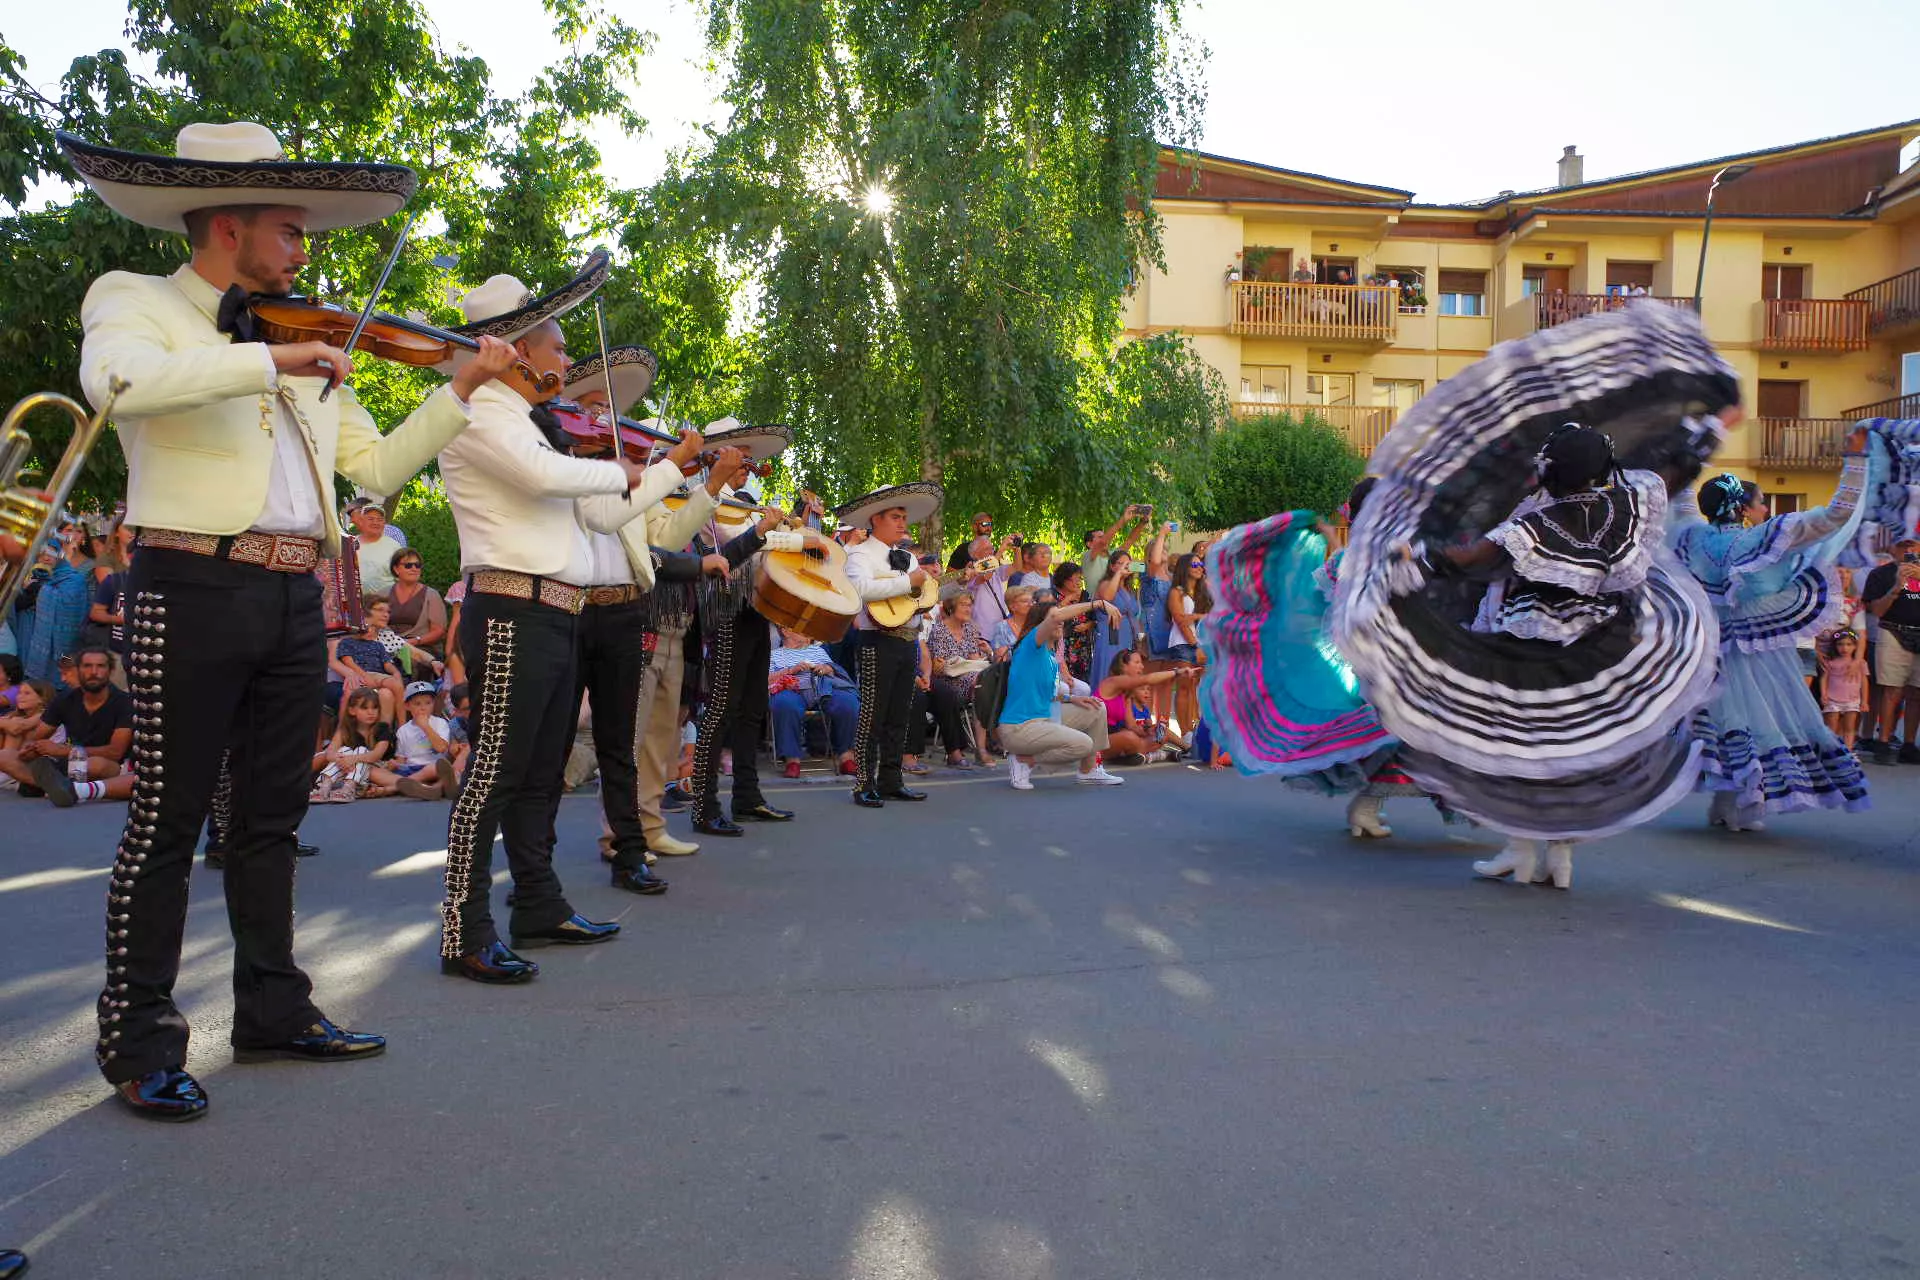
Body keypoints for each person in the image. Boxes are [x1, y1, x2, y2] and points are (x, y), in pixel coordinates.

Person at [60, 119, 515, 1117]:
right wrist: (272, 364)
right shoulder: (136, 301)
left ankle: (273, 1008)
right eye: (291, 229)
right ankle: (140, 1039)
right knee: (169, 818)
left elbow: (377, 468)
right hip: (185, 579)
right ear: (228, 225)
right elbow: (116, 386)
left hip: (291, 590)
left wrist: (462, 388)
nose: (306, 253)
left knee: (273, 817)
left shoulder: (301, 338)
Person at [1334, 304, 1737, 890]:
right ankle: (1559, 859)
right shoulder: (1633, 497)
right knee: (1574, 757)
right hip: (1607, 643)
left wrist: (1413, 563)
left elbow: (1472, 559)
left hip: (1532, 650)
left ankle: (1523, 854)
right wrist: (1710, 428)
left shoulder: (1535, 527)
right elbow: (1673, 471)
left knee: (1527, 756)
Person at [431, 253, 669, 983]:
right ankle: (462, 929)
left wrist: (667, 471)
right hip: (508, 607)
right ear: (514, 351)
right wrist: (626, 468)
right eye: (558, 345)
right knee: (496, 773)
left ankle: (537, 902)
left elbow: (597, 510)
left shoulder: (534, 423)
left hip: (552, 611)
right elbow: (548, 480)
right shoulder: (473, 410)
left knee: (538, 774)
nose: (567, 358)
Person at [554, 346, 727, 885]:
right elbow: (602, 516)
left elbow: (663, 539)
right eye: (589, 407)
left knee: (644, 739)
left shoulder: (624, 470)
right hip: (578, 606)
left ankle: (643, 829)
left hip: (628, 608)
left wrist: (710, 488)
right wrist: (665, 466)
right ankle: (610, 839)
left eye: (606, 409)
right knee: (610, 738)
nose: (602, 418)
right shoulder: (563, 459)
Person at [1675, 443, 1873, 829]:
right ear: (1743, 509)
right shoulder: (1763, 536)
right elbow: (1836, 515)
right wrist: (1857, 466)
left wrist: (1690, 453)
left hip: (1709, 647)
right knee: (1761, 720)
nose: (1766, 508)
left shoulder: (1692, 538)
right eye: (1761, 502)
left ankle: (1726, 802)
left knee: (1725, 717)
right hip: (1755, 649)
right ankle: (1746, 806)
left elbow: (1682, 504)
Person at [686, 428, 833, 836]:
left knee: (752, 707)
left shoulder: (746, 504)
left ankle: (747, 797)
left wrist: (796, 527)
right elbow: (735, 547)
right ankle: (705, 803)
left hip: (756, 612)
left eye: (748, 457)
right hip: (726, 611)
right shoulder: (704, 500)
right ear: (716, 456)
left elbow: (771, 552)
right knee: (720, 709)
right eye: (739, 455)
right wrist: (787, 534)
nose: (747, 465)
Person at [839, 482, 944, 808]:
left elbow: (917, 597)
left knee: (900, 713)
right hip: (876, 641)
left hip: (907, 641)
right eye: (896, 517)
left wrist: (941, 587)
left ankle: (891, 779)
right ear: (875, 519)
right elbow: (858, 590)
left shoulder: (907, 559)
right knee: (872, 714)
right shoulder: (858, 554)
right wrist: (905, 583)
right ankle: (863, 784)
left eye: (903, 517)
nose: (903, 522)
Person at [998, 594, 1127, 790]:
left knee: (1096, 707)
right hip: (1020, 728)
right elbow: (1055, 617)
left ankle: (1088, 771)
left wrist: (1072, 698)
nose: (1060, 623)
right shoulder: (1031, 645)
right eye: (1055, 620)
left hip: (1042, 718)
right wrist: (1098, 603)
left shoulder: (1049, 655)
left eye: (1061, 620)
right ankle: (1026, 759)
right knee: (1083, 744)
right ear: (1040, 623)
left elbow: (1048, 692)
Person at [0, 646, 135, 805]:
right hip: (64, 763)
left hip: (104, 764)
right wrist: (30, 750)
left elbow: (115, 752)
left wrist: (63, 750)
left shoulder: (124, 702)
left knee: (96, 764)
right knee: (5, 756)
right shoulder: (64, 699)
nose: (93, 672)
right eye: (87, 667)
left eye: (100, 667)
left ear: (110, 671)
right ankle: (58, 786)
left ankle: (49, 786)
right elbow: (37, 737)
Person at [769, 628, 860, 777]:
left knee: (848, 702)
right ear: (786, 631)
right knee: (785, 703)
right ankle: (792, 760)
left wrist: (826, 668)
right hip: (792, 690)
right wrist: (791, 670)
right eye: (801, 629)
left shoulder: (818, 651)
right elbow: (767, 680)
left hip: (821, 688)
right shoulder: (775, 655)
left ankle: (846, 757)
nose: (808, 632)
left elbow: (833, 670)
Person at [1861, 538, 1920, 765]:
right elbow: (1877, 611)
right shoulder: (1880, 574)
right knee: (1891, 691)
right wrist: (1896, 586)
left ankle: (1909, 744)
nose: (1909, 551)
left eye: (1913, 546)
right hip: (1893, 631)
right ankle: (1883, 742)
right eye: (1903, 547)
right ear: (1893, 550)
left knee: (1916, 694)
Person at [927, 582, 994, 767]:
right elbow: (937, 667)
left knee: (984, 682)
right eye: (964, 604)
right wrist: (955, 665)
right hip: (947, 680)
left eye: (970, 605)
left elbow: (975, 660)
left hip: (971, 679)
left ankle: (983, 747)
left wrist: (987, 654)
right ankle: (982, 748)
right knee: (982, 685)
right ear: (952, 606)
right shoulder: (939, 629)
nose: (968, 608)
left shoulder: (971, 629)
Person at [18, 522, 90, 683]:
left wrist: (39, 589)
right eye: (41, 552)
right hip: (30, 640)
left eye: (52, 552)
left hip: (63, 647)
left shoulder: (74, 579)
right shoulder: (29, 575)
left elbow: (73, 609)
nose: (46, 557)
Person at [327, 595, 409, 724]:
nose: (385, 614)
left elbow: (392, 659)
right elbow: (337, 661)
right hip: (346, 679)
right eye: (380, 610)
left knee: (387, 693)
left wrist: (396, 673)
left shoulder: (381, 640)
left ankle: (389, 734)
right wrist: (357, 675)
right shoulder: (345, 637)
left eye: (388, 611)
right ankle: (347, 736)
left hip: (377, 676)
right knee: (354, 696)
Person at [1097, 650, 1191, 762]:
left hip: (1121, 739)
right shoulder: (1112, 682)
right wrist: (1177, 672)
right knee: (1129, 737)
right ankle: (1159, 755)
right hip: (1102, 741)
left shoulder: (1126, 692)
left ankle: (1136, 755)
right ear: (1123, 665)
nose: (1142, 667)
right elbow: (1148, 679)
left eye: (1141, 663)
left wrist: (1147, 730)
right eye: (1137, 663)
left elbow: (1131, 725)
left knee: (1161, 732)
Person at [308, 685, 394, 803]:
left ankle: (348, 789)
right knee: (344, 750)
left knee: (361, 750)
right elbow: (330, 753)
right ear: (352, 710)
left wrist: (352, 759)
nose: (371, 712)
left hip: (374, 766)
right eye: (365, 708)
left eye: (375, 708)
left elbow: (376, 755)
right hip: (346, 768)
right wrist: (342, 759)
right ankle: (324, 787)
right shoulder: (345, 729)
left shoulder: (382, 729)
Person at [384, 547, 448, 657]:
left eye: (417, 565)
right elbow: (374, 624)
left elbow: (439, 631)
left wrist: (412, 642)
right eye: (408, 565)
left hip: (422, 647)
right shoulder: (383, 594)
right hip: (388, 646)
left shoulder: (431, 595)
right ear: (396, 569)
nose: (414, 568)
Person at [1090, 550, 1142, 682]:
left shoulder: (1129, 589)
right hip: (1111, 635)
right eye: (1121, 563)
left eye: (1128, 563)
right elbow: (1108, 597)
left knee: (1126, 672)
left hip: (1127, 636)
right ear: (1112, 567)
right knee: (1111, 670)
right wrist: (1119, 574)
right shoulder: (1105, 584)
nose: (1126, 566)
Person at [1819, 629, 1869, 751]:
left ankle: (1848, 752)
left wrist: (1864, 701)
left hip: (1852, 700)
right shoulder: (1830, 661)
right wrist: (1823, 694)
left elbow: (1864, 682)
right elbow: (1824, 678)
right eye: (1840, 644)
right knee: (1831, 726)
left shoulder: (1860, 663)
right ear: (1834, 646)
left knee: (1849, 727)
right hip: (1832, 700)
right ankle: (1831, 751)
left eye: (1849, 644)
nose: (1844, 648)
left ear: (1855, 646)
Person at [346, 498, 404, 596]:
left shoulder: (395, 547)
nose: (375, 522)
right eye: (370, 519)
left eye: (379, 519)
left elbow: (404, 579)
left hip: (385, 607)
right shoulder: (350, 544)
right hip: (356, 606)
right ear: (363, 521)